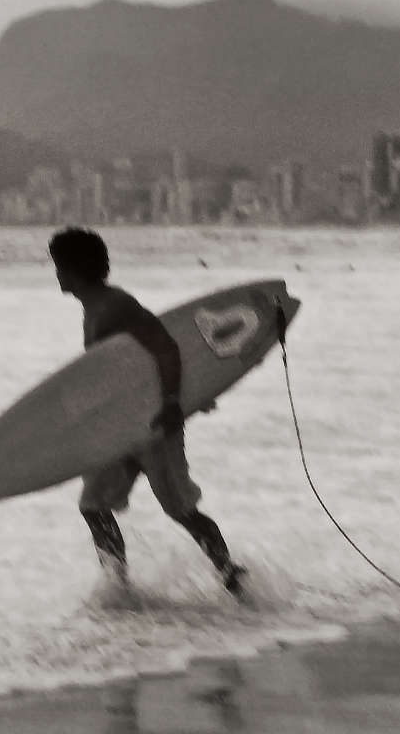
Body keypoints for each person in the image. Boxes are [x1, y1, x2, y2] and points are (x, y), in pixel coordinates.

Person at [48, 227, 247, 598]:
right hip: (122, 429)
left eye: (58, 267)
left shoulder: (115, 306)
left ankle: (233, 576)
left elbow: (166, 348)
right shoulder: (94, 309)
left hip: (155, 424)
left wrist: (173, 403)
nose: (56, 275)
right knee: (93, 506)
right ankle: (118, 587)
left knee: (181, 510)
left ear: (73, 269)